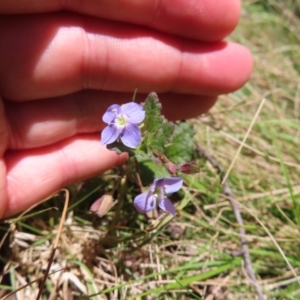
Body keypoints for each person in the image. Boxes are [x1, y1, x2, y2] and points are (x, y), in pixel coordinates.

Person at [0, 0, 252, 219]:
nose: (117, 117)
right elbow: (128, 135)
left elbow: (138, 139)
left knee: (144, 171)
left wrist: (166, 166)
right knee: (121, 180)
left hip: (139, 142)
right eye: (117, 117)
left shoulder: (133, 128)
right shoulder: (122, 126)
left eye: (119, 116)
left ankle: (149, 197)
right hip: (132, 135)